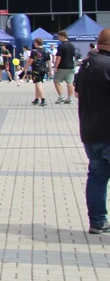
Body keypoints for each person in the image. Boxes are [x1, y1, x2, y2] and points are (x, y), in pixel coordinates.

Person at [77, 29, 110, 234]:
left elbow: (79, 93)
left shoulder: (87, 64)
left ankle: (97, 221)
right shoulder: (107, 65)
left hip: (90, 131)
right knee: (97, 175)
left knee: (97, 176)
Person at [53, 31, 78, 105]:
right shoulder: (72, 45)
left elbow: (58, 57)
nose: (58, 38)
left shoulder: (61, 46)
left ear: (63, 36)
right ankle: (69, 98)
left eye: (59, 36)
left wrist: (55, 66)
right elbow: (74, 57)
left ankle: (61, 96)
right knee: (69, 82)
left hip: (62, 66)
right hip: (70, 66)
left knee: (56, 81)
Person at [28, 37, 51, 106]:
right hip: (43, 69)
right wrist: (50, 70)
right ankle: (36, 99)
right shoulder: (46, 51)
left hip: (36, 69)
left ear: (36, 43)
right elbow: (49, 62)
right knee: (38, 83)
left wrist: (25, 68)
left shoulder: (34, 51)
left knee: (38, 83)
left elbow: (30, 61)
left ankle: (43, 99)